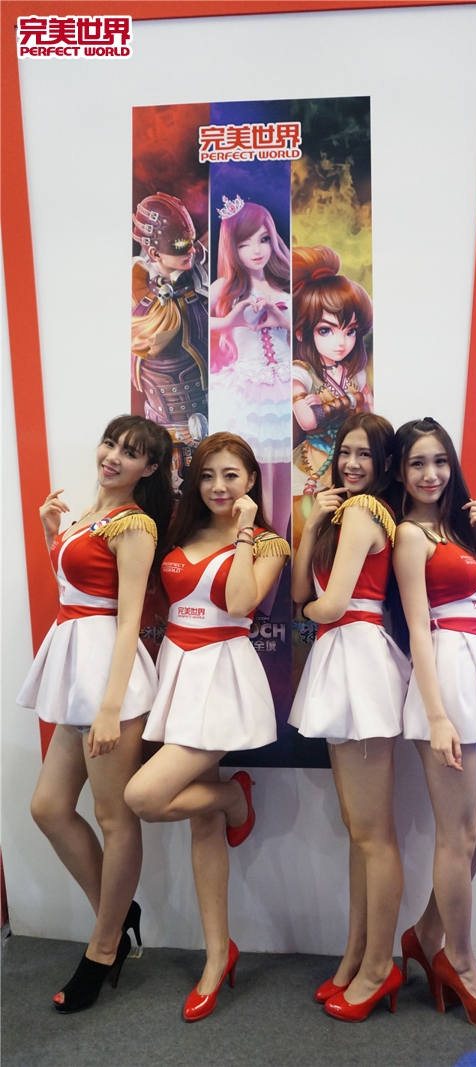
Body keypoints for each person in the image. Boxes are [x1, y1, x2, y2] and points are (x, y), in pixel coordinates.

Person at [124, 432, 290, 1022]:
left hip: (223, 678)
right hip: (178, 670)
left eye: (231, 475)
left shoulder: (268, 542)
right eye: (208, 475)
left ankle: (233, 796)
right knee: (203, 823)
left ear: (251, 481)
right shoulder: (179, 531)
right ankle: (218, 955)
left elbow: (242, 602)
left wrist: (243, 532)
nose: (219, 486)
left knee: (143, 796)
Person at [18, 415, 174, 1013]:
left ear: (149, 469)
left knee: (114, 817)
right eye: (111, 443)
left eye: (130, 453)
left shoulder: (134, 523)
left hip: (110, 678)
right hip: (75, 669)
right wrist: (51, 533)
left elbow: (129, 616)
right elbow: (75, 589)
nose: (112, 456)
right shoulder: (89, 515)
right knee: (48, 807)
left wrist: (111, 708)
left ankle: (104, 947)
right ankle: (118, 912)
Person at [391, 417, 476, 1028]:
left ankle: (425, 934)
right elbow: (418, 630)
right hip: (446, 676)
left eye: (440, 461)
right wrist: (436, 715)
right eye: (418, 463)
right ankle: (463, 964)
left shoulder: (462, 527)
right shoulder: (410, 535)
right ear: (401, 472)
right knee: (458, 835)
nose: (431, 474)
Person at [288, 412, 410, 1023]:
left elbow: (326, 604)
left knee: (373, 834)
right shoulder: (340, 515)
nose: (352, 463)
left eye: (365, 454)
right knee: (361, 831)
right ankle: (357, 955)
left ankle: (379, 967)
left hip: (357, 657)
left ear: (385, 464)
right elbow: (298, 591)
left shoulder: (364, 512)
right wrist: (311, 524)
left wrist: (311, 610)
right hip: (343, 657)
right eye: (345, 452)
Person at [209, 197, 291, 538]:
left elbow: (307, 327)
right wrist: (231, 319)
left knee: (284, 476)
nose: (256, 251)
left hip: (285, 389)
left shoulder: (285, 284)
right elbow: (199, 323)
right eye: (244, 243)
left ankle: (280, 551)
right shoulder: (224, 287)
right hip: (244, 391)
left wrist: (280, 319)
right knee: (248, 475)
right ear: (232, 247)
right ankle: (245, 547)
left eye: (263, 239)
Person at [132, 192, 209, 487]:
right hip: (162, 422)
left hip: (205, 414)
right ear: (154, 253)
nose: (190, 251)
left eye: (191, 242)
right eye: (179, 246)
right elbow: (145, 339)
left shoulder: (197, 279)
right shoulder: (141, 292)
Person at [292, 245, 373, 517]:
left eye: (350, 331)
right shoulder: (301, 372)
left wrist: (331, 406)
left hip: (351, 462)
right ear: (302, 332)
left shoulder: (355, 372)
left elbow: (370, 417)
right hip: (313, 463)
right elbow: (308, 420)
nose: (341, 343)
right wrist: (351, 401)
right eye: (326, 330)